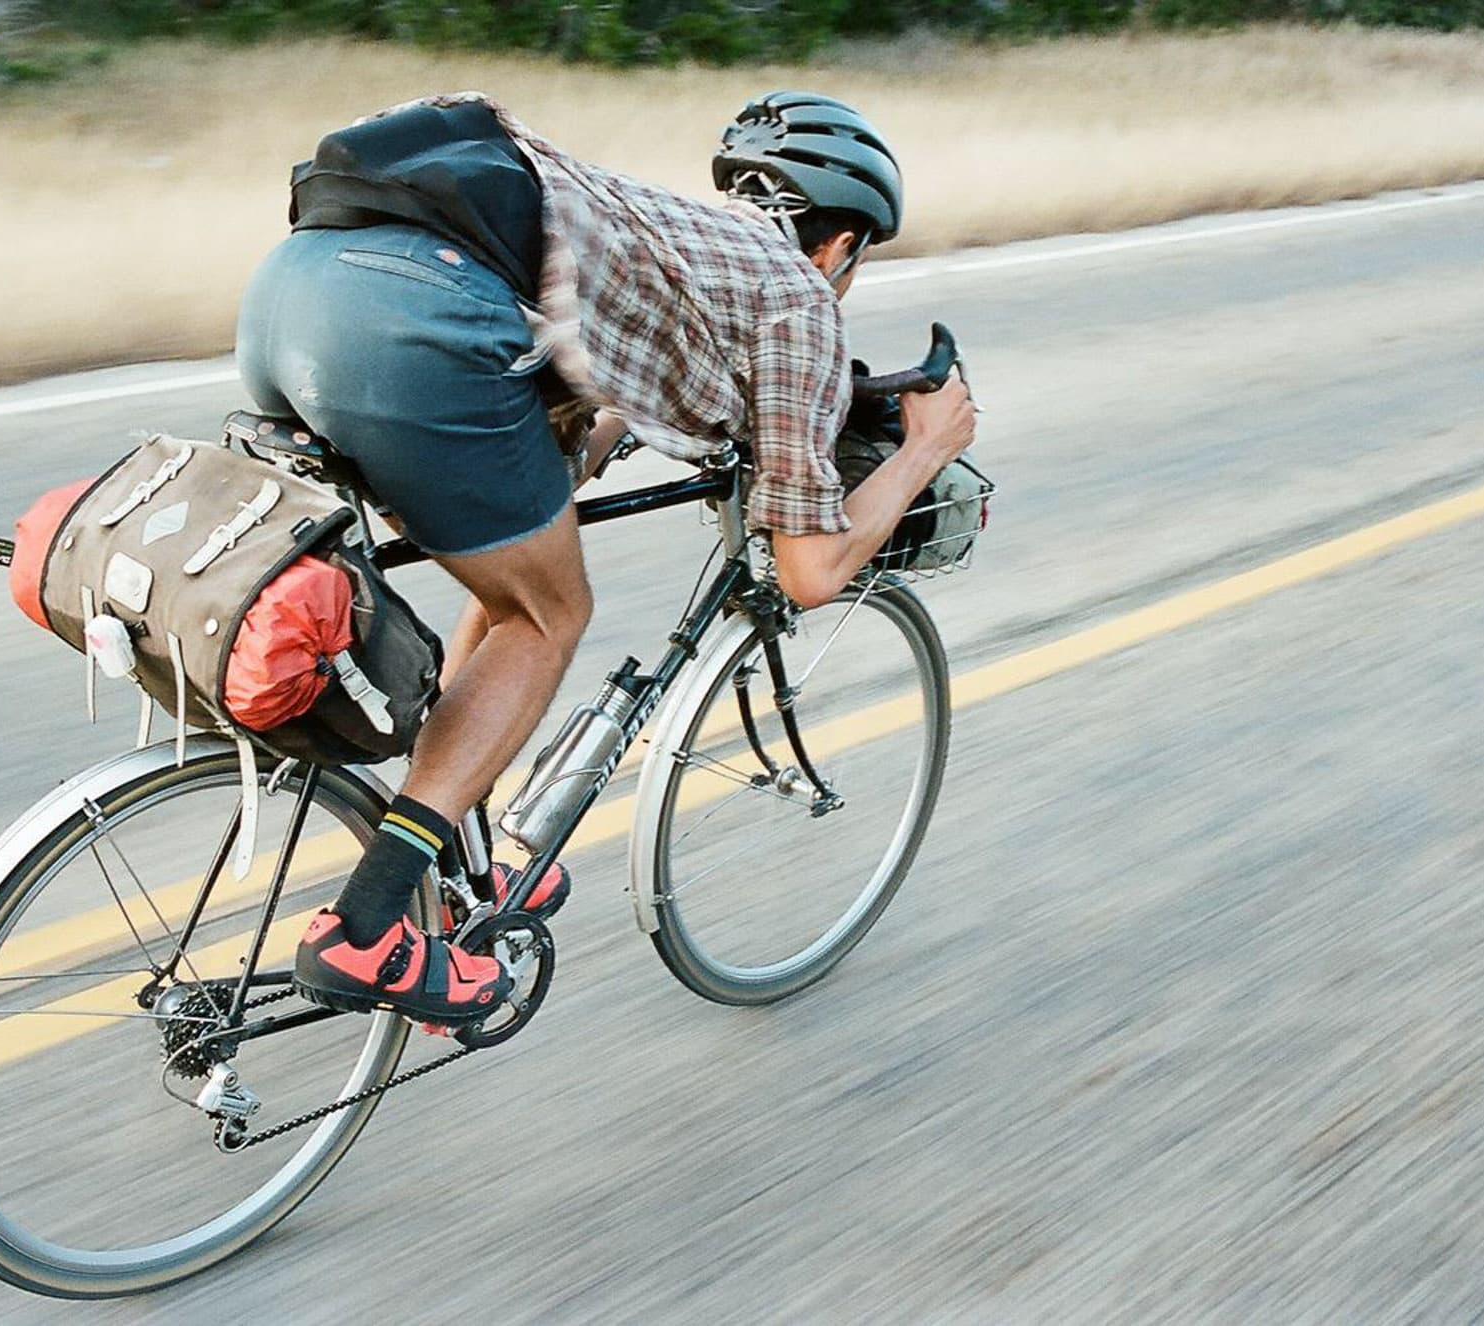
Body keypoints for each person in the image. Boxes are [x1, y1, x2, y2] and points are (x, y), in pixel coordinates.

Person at [235, 91, 977, 1025]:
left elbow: (543, 478)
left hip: (289, 295)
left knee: (508, 575)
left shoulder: (668, 241)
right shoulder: (799, 297)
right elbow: (810, 573)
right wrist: (924, 448)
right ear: (842, 245)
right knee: (549, 615)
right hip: (413, 319)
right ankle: (365, 927)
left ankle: (451, 863)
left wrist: (614, 424)